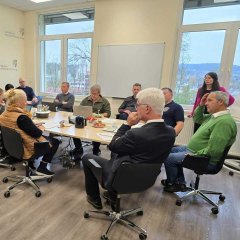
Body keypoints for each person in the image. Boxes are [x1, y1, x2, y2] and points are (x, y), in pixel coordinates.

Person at [82, 88, 176, 209]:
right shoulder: (171, 132)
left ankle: (94, 198)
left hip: (120, 179)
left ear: (147, 108)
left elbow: (113, 145)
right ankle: (112, 195)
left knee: (87, 158)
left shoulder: (136, 134)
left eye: (138, 105)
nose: (136, 109)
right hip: (146, 180)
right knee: (117, 153)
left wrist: (127, 124)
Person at [162, 91, 237, 193]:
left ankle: (174, 184)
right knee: (166, 152)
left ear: (221, 102)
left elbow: (215, 150)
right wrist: (201, 105)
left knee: (169, 158)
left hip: (204, 159)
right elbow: (197, 118)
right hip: (193, 150)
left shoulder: (224, 122)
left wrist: (192, 154)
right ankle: (179, 182)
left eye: (210, 100)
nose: (206, 103)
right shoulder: (214, 117)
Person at [0, 89, 59, 175]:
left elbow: (18, 128)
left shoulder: (3, 115)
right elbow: (37, 134)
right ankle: (42, 168)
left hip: (13, 147)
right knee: (55, 142)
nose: (26, 103)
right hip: (26, 148)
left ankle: (31, 164)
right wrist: (41, 128)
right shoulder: (22, 117)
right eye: (25, 100)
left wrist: (31, 125)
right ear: (18, 102)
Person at [75, 84, 111, 156]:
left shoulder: (104, 101)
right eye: (92, 93)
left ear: (99, 93)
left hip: (97, 122)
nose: (93, 95)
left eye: (95, 94)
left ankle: (96, 149)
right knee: (75, 131)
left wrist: (99, 115)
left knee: (96, 133)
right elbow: (79, 109)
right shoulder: (86, 99)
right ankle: (78, 148)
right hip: (86, 120)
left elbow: (108, 113)